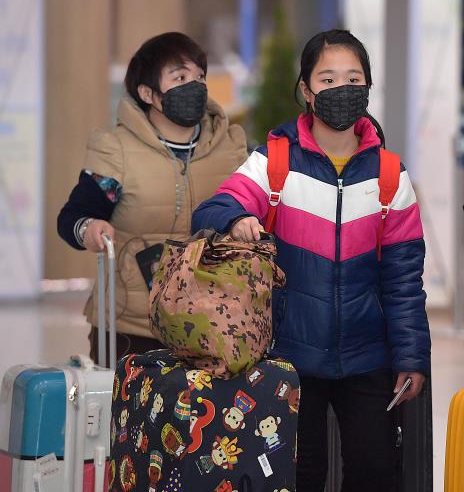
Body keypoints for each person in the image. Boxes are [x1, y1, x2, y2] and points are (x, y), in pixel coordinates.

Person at [192, 29, 431, 491]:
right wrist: (238, 217)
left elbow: (403, 279)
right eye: (327, 79)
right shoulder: (274, 162)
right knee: (298, 475)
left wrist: (411, 357)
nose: (341, 89)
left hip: (368, 357)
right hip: (289, 357)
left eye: (353, 78)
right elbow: (212, 208)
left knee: (376, 472)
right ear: (306, 89)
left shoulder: (389, 175)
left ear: (367, 87)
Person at [57, 32, 248, 363]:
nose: (196, 86)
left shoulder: (230, 146)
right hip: (132, 328)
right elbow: (74, 215)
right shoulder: (115, 149)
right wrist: (89, 227)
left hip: (213, 322)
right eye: (180, 77)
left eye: (200, 77)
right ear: (148, 93)